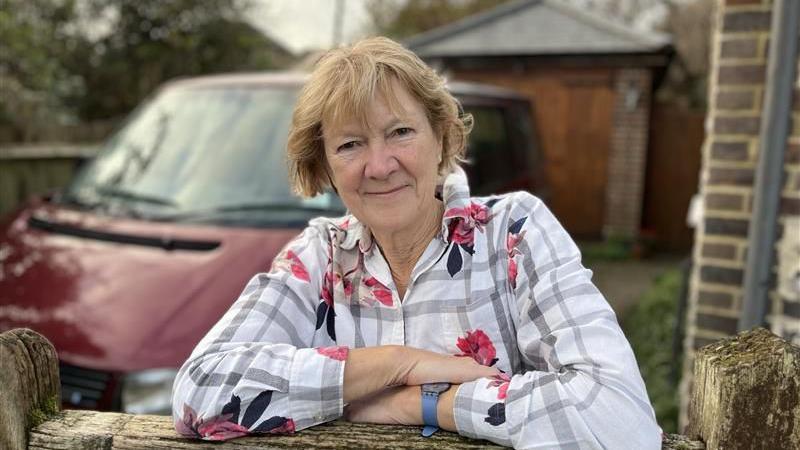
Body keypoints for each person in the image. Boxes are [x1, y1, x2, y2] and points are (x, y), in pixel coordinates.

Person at [171, 36, 661, 449]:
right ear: (323, 166)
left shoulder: (514, 231)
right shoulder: (319, 255)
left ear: (442, 137)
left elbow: (620, 417)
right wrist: (394, 364)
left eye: (400, 132)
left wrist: (423, 404)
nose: (380, 165)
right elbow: (199, 392)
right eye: (350, 144)